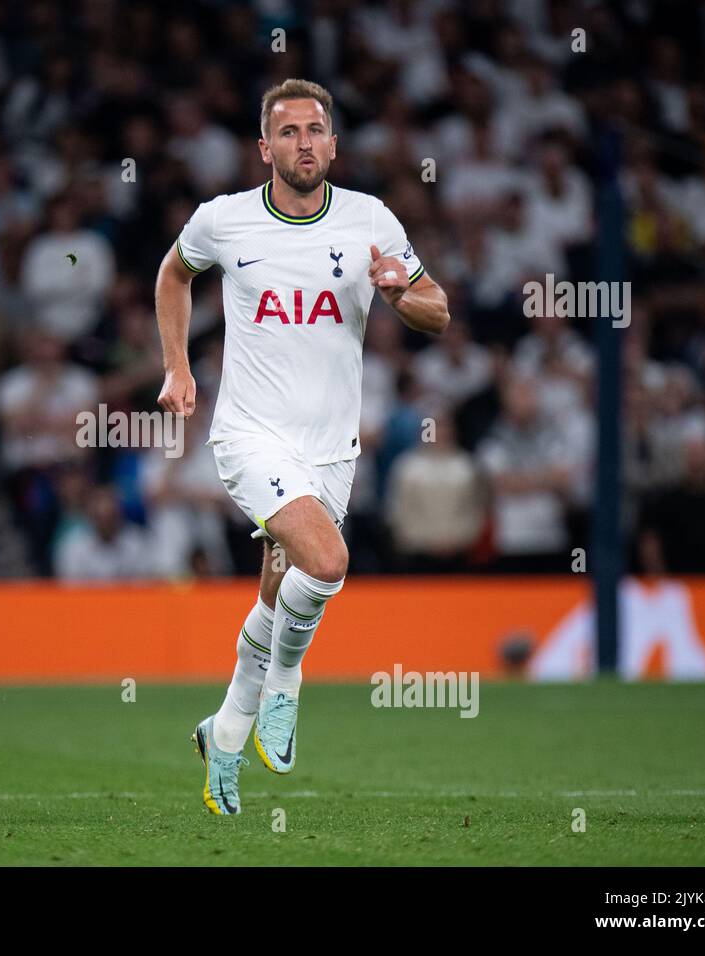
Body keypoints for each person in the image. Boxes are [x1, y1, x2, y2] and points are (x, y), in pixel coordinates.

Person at [155, 79, 449, 815]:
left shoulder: (369, 218)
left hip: (331, 449)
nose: (304, 142)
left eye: (316, 130)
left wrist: (396, 293)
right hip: (251, 436)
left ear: (334, 144)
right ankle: (285, 688)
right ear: (265, 149)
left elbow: (436, 311)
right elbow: (173, 275)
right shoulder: (224, 222)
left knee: (278, 591)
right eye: (288, 132)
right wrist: (178, 365)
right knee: (327, 562)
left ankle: (223, 733)